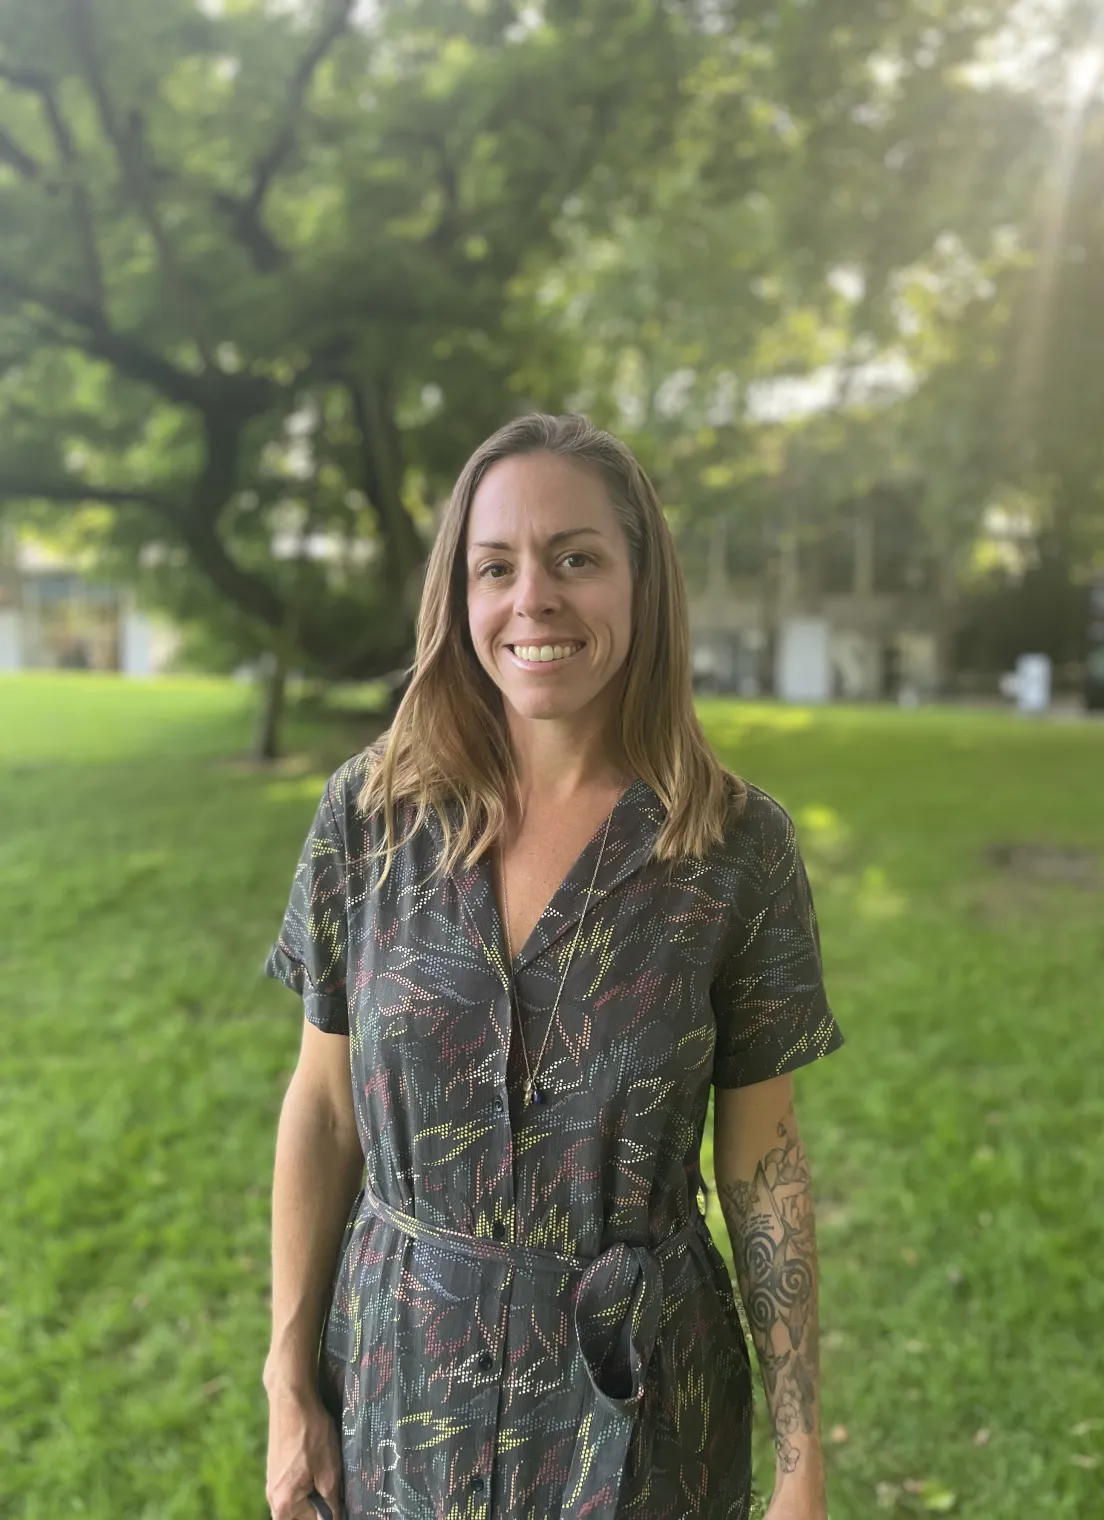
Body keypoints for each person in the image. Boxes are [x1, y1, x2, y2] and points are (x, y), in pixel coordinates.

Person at [262, 413, 845, 1520]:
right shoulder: (372, 816)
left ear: (641, 582)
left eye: (576, 557)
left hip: (640, 1420)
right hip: (401, 1394)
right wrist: (288, 1376)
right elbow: (326, 1109)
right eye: (497, 566)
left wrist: (801, 1457)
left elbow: (765, 1160)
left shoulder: (735, 850)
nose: (534, 597)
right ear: (461, 594)